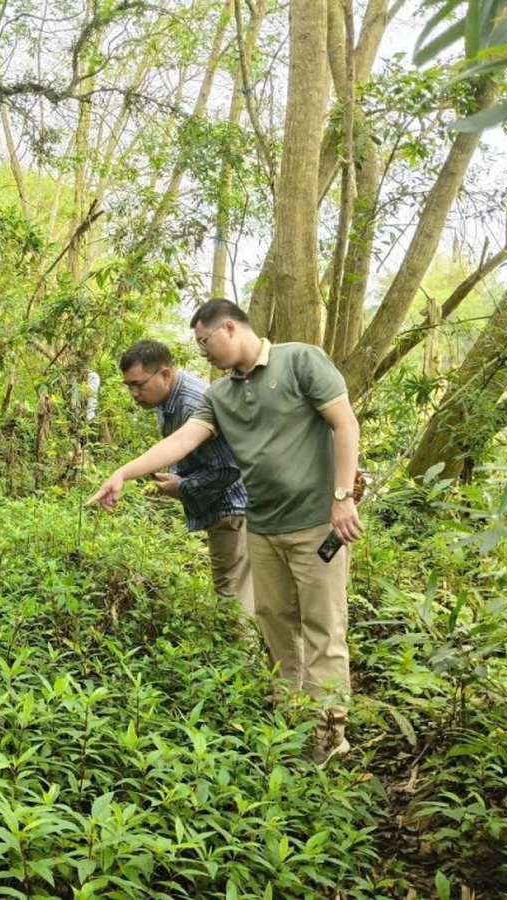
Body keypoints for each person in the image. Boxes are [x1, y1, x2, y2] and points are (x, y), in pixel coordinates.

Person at [89, 300, 363, 765]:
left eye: (204, 341)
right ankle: (290, 714)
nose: (202, 352)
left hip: (317, 524)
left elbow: (344, 423)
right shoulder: (219, 395)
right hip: (263, 524)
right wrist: (123, 472)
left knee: (323, 627)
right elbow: (180, 442)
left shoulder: (300, 360)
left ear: (229, 328)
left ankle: (330, 732)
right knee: (275, 621)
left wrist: (342, 496)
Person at [117, 340, 253, 613]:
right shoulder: (168, 397)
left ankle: (243, 655)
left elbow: (229, 468)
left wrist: (184, 485)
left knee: (233, 596)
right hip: (222, 508)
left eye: (139, 384)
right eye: (129, 386)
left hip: (232, 510)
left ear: (165, 374)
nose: (134, 393)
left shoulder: (192, 403)